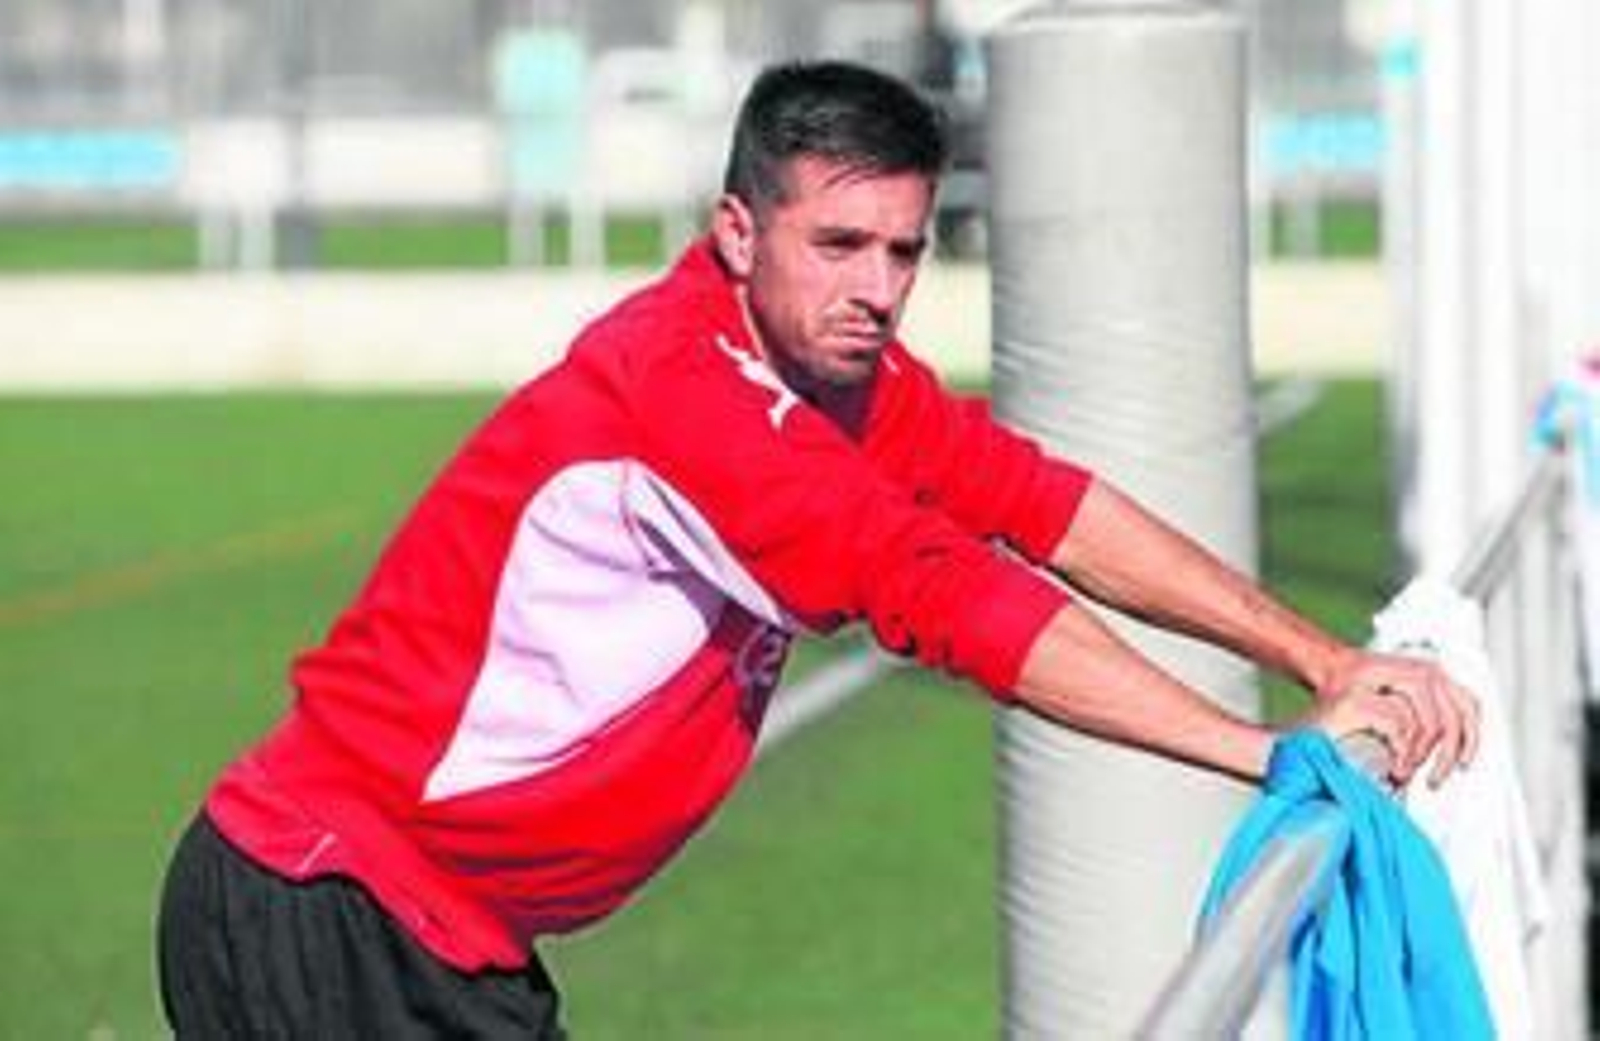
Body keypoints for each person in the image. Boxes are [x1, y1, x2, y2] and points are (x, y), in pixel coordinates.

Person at [157, 60, 1478, 1038]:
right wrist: (1264, 750)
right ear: (738, 232)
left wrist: (1317, 655)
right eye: (837, 244)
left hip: (442, 935)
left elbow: (1035, 500)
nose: (879, 286)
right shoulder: (680, 395)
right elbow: (944, 593)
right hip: (326, 900)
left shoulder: (843, 377)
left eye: (904, 249)